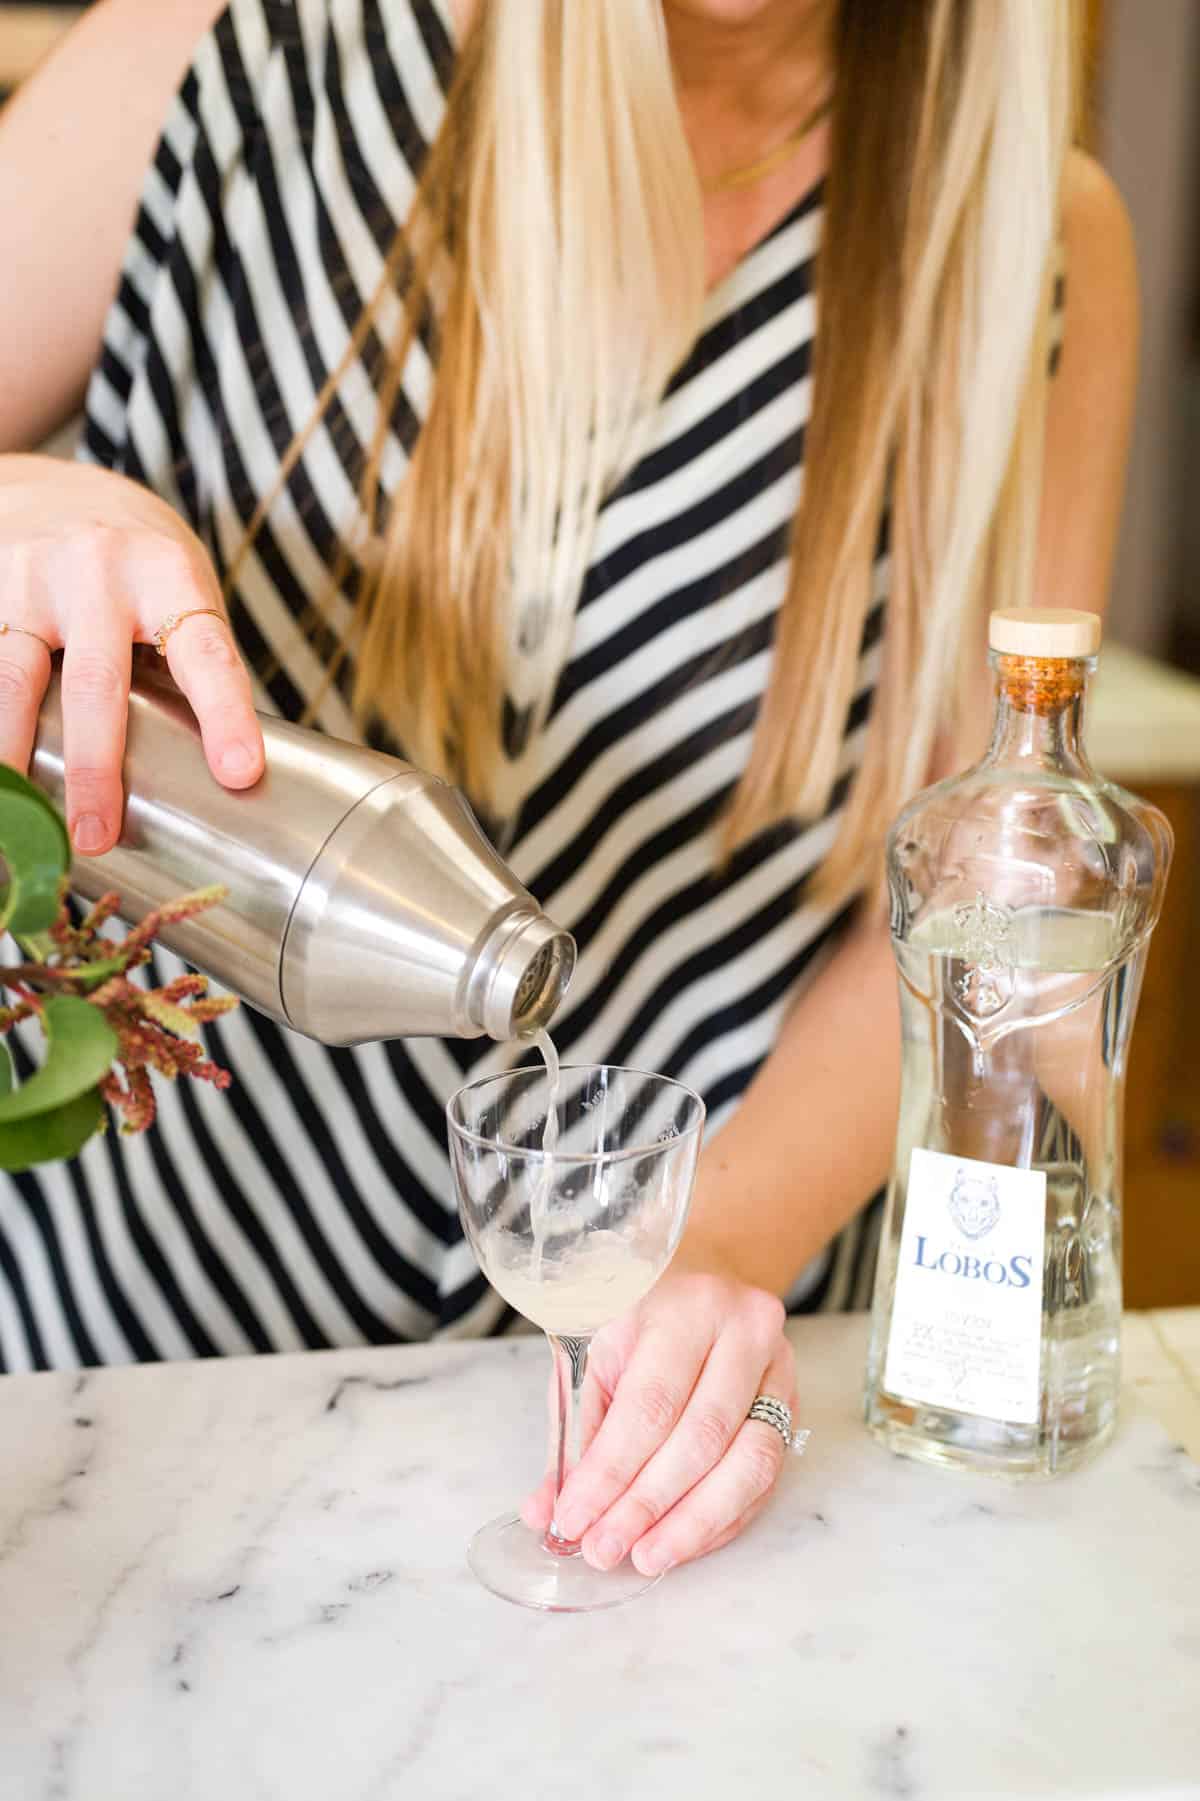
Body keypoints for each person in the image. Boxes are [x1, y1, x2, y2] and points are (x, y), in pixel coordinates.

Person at [0, 0, 1135, 1578]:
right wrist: (27, 495)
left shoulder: (1033, 243)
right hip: (144, 1383)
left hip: (681, 1404)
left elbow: (970, 896)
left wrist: (705, 1248)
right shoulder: (231, 59)